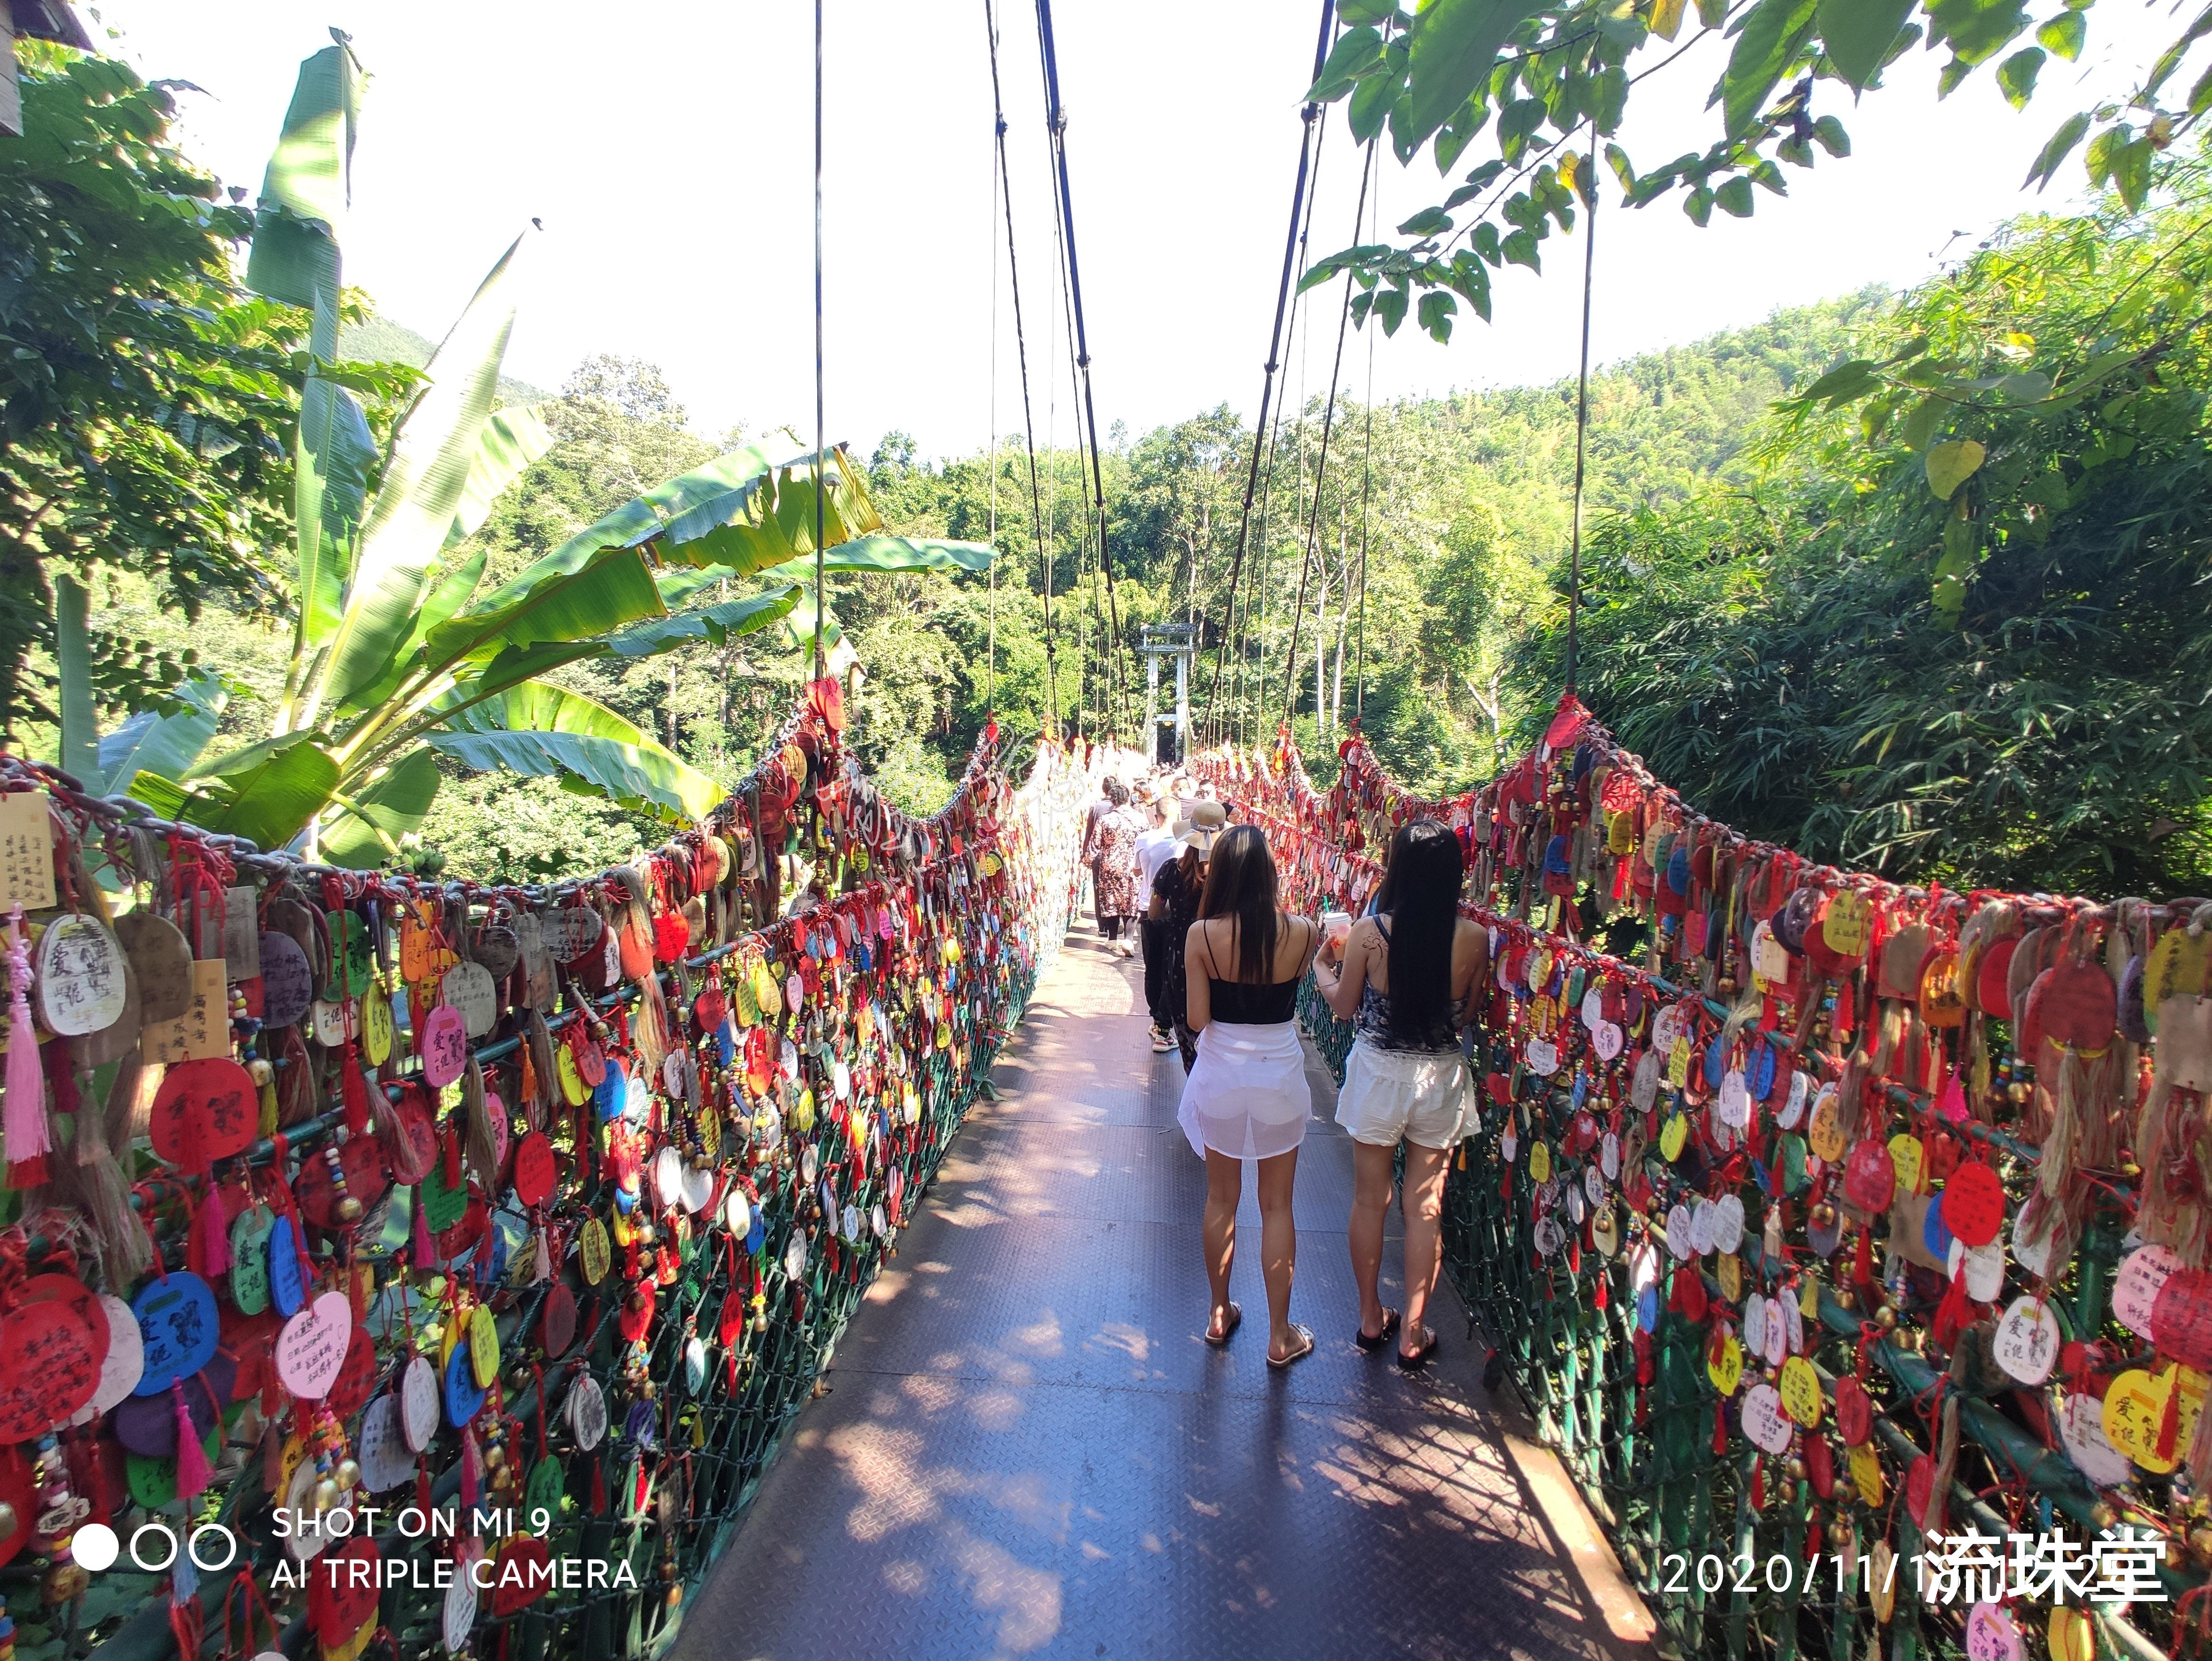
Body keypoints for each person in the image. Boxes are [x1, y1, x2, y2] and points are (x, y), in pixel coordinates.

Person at [1312, 819, 1483, 1374]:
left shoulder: (1368, 932)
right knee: (1424, 1206)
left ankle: (1369, 1318)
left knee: (1370, 1200)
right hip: (1440, 1080)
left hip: (1379, 1075)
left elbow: (1344, 1007)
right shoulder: (1476, 939)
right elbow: (1470, 1016)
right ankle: (1413, 1332)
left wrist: (1321, 970)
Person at [1176, 825, 1321, 1368]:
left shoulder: (1202, 935)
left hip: (1220, 1077)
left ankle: (1219, 1312)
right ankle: (1280, 1336)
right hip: (1280, 1077)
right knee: (1277, 1205)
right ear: (1269, 872)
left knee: (1221, 1199)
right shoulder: (1304, 932)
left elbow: (1195, 1020)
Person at [1147, 801, 1222, 1060]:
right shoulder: (1228, 875)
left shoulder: (1170, 870)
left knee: (1186, 1023)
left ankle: (1193, 1078)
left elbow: (1155, 912)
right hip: (1220, 953)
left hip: (1180, 951)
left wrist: (1179, 915)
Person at [1134, 786, 1181, 1049]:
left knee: (1152, 967)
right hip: (1177, 913)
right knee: (1172, 967)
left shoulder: (1144, 839)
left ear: (1157, 816)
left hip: (1148, 908)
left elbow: (1137, 870)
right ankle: (1164, 1028)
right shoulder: (1188, 841)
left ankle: (1158, 1023)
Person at [1081, 779, 1143, 956]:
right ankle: (1129, 940)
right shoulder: (1139, 818)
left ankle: (1112, 939)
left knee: (1111, 902)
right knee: (1131, 902)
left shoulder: (1105, 819)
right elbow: (1144, 842)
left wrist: (1086, 863)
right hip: (1132, 866)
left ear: (1113, 800)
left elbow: (1094, 845)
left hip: (1109, 866)